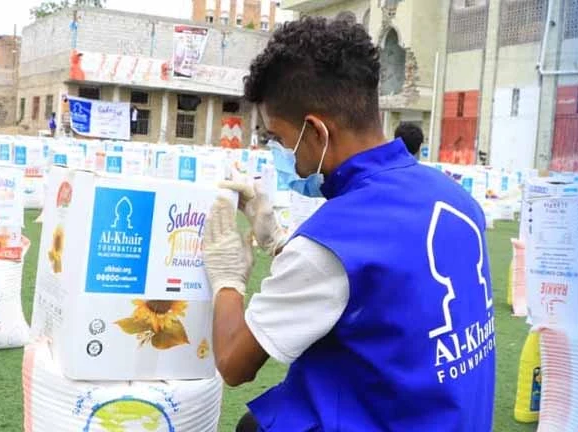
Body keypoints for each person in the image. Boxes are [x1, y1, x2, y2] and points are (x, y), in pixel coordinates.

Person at [202, 16, 496, 432]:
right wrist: (277, 241)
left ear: (316, 132)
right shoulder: (455, 198)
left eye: (280, 139)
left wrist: (227, 279)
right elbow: (378, 285)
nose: (282, 155)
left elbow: (234, 363)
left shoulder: (330, 241)